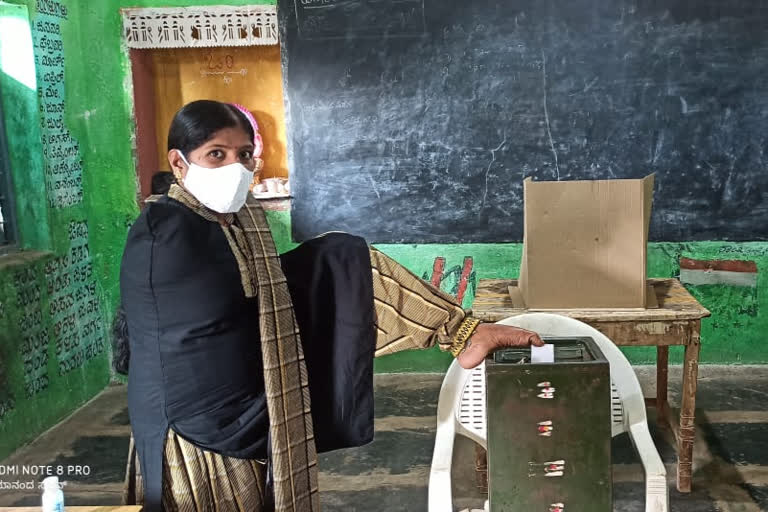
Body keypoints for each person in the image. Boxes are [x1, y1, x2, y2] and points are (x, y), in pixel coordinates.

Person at [120, 100, 544, 512]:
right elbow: (216, 315)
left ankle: (463, 333)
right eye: (217, 155)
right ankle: (462, 332)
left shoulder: (229, 219)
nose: (235, 168)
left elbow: (254, 291)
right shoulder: (164, 233)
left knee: (342, 259)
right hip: (194, 421)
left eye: (244, 155)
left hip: (244, 402)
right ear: (179, 164)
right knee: (338, 268)